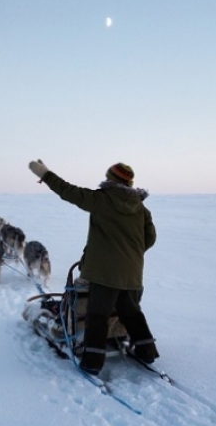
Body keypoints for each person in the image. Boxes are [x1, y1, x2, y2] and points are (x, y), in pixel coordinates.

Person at [28, 159, 159, 375]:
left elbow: (68, 191)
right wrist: (128, 254)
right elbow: (150, 238)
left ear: (111, 179)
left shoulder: (101, 199)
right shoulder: (141, 208)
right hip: (132, 272)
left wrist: (45, 174)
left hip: (103, 273)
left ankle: (92, 361)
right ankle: (148, 351)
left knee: (97, 315)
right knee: (131, 312)